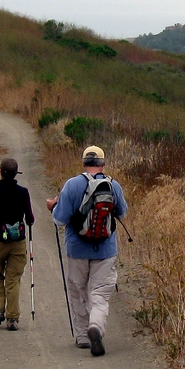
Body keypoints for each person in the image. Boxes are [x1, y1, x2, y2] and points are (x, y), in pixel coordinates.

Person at [46, 145, 128, 356]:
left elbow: (59, 219)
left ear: (83, 163)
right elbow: (122, 212)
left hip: (77, 249)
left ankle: (83, 336)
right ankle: (96, 327)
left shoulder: (72, 185)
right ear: (103, 163)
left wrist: (53, 206)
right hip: (106, 249)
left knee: (78, 290)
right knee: (99, 293)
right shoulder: (113, 185)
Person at [0, 157, 36, 330]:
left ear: (1, 172)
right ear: (15, 173)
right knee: (13, 279)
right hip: (17, 241)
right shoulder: (23, 192)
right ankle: (12, 318)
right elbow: (30, 218)